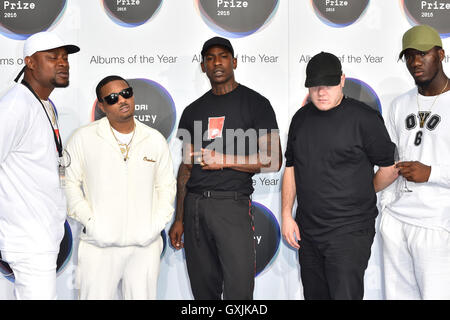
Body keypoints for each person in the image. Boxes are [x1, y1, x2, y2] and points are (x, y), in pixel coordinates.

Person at [168, 36, 281, 300]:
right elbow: (186, 169)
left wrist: (224, 160)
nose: (216, 62)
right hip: (195, 208)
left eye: (222, 56)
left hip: (232, 206)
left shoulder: (256, 104)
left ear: (235, 62)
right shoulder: (192, 110)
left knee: (239, 291)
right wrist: (180, 217)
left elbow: (273, 159)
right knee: (203, 292)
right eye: (210, 58)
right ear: (203, 67)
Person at [281, 52, 396, 300]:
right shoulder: (300, 119)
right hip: (308, 232)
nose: (322, 92)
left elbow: (389, 168)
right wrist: (285, 215)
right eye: (315, 86)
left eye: (329, 85)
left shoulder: (364, 119)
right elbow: (290, 167)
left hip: (349, 232)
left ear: (342, 80)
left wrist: (365, 190)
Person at [64, 75, 176, 299]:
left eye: (126, 93)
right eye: (113, 98)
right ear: (103, 106)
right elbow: (69, 185)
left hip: (144, 246)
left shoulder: (154, 139)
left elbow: (166, 187)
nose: (122, 100)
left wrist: (154, 226)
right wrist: (91, 223)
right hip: (98, 246)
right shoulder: (83, 138)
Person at [0, 32, 79, 299]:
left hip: (45, 236)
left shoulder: (44, 104)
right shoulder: (15, 106)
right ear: (30, 63)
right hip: (27, 240)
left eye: (65, 57)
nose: (63, 63)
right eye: (52, 57)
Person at [376, 24, 450, 299]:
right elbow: (390, 161)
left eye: (422, 53)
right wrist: (386, 208)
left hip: (436, 222)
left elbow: (429, 171)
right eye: (408, 56)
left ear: (440, 54)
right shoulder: (399, 104)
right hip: (396, 220)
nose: (415, 62)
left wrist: (432, 172)